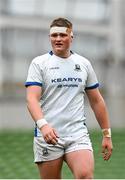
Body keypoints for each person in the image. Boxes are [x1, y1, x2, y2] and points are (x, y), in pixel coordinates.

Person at [25, 17, 113, 179]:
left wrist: (106, 134)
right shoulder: (39, 63)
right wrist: (44, 126)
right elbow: (31, 99)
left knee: (85, 176)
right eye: (54, 35)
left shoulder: (83, 64)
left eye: (62, 35)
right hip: (48, 136)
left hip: (77, 134)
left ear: (71, 37)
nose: (58, 39)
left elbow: (97, 101)